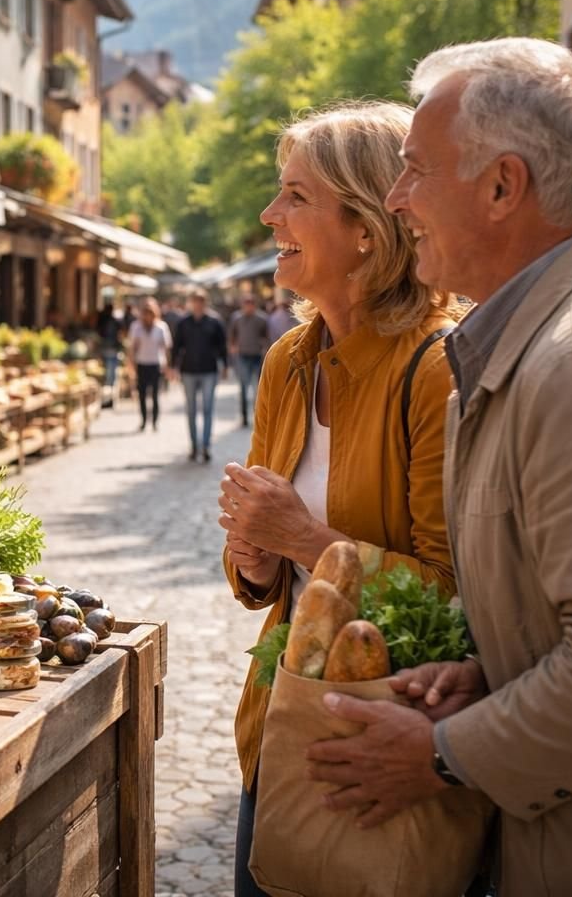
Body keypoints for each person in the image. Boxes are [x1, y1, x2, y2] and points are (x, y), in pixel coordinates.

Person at [308, 39, 572, 894]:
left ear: (503, 186)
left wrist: (440, 755)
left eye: (415, 172)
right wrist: (497, 672)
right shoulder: (559, 340)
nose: (398, 202)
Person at [215, 102, 462, 897]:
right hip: (283, 718)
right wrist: (253, 557)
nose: (268, 214)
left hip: (389, 741)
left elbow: (459, 598)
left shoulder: (437, 366)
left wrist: (301, 537)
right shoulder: (288, 359)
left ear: (366, 226)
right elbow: (266, 580)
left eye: (295, 195)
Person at [171, 289, 227, 462]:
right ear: (191, 303)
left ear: (205, 303)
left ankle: (206, 446)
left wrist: (224, 366)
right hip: (188, 371)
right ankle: (194, 446)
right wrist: (173, 367)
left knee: (208, 409)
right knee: (191, 410)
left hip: (209, 370)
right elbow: (176, 346)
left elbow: (222, 346)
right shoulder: (183, 323)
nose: (197, 305)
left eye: (200, 302)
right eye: (195, 301)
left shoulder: (214, 322)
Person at [127, 298, 171, 432]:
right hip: (141, 363)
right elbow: (132, 347)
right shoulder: (136, 327)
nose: (148, 316)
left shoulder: (161, 327)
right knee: (141, 394)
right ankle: (144, 420)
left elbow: (166, 347)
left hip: (156, 364)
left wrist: (168, 366)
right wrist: (131, 363)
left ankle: (155, 421)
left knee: (155, 395)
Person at [228, 295, 271, 428]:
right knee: (243, 387)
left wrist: (264, 347)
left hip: (257, 356)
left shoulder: (262, 319)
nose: (248, 307)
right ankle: (244, 417)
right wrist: (233, 346)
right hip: (242, 356)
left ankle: (258, 416)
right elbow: (232, 334)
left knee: (257, 388)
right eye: (246, 304)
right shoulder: (237, 318)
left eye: (251, 304)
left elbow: (266, 336)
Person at [96, 301, 123, 408]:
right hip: (111, 351)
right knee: (110, 377)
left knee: (108, 376)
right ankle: (108, 399)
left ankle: (108, 399)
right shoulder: (114, 321)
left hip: (107, 350)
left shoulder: (105, 321)